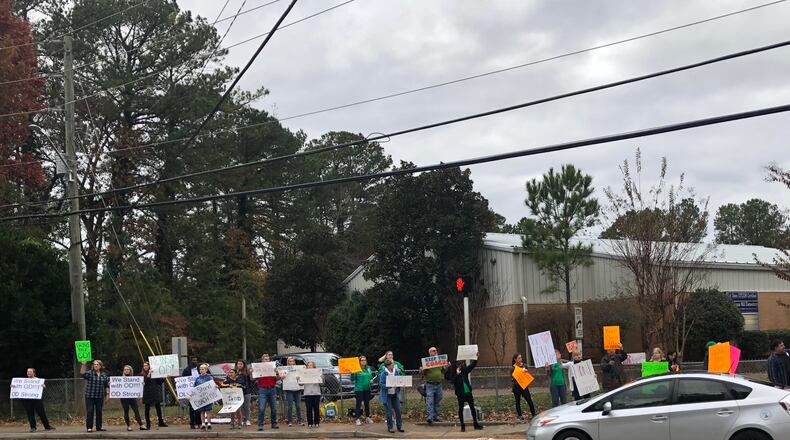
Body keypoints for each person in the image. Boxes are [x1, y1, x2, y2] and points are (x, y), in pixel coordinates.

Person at [445, 356, 483, 432]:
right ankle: (462, 425)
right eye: (458, 364)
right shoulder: (453, 373)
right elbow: (451, 381)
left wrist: (476, 358)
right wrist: (456, 373)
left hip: (468, 392)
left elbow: (472, 366)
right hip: (460, 394)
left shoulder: (464, 371)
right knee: (461, 409)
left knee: (472, 408)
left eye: (461, 364)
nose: (460, 366)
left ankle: (475, 424)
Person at [20, 368, 54, 433]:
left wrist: (43, 386)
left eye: (30, 371)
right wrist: (14, 386)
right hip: (28, 400)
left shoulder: (38, 380)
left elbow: (44, 387)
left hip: (37, 399)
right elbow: (18, 388)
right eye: (28, 371)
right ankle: (33, 427)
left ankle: (47, 426)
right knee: (30, 413)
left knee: (41, 413)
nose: (28, 373)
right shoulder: (24, 381)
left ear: (34, 373)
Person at [420, 347, 448, 424]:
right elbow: (423, 374)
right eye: (433, 351)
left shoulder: (439, 360)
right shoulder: (426, 361)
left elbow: (443, 371)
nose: (435, 352)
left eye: (436, 350)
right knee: (430, 401)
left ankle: (436, 416)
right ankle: (430, 417)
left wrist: (446, 367)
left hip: (438, 384)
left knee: (438, 400)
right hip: (430, 385)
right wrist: (423, 369)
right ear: (430, 353)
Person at [80, 360, 110, 433]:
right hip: (90, 396)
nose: (96, 365)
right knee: (90, 411)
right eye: (94, 364)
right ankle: (89, 427)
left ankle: (99, 427)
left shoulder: (104, 375)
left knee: (99, 411)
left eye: (97, 364)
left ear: (100, 366)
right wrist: (83, 365)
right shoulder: (90, 373)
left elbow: (107, 385)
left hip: (100, 396)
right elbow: (82, 373)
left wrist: (108, 394)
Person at [379, 359, 404, 433]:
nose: (394, 365)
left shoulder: (396, 372)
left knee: (398, 411)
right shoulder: (384, 373)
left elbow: (399, 380)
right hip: (387, 396)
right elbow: (381, 384)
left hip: (395, 394)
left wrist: (401, 383)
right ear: (388, 366)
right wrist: (389, 386)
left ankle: (399, 427)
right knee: (389, 412)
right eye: (392, 364)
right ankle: (390, 427)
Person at [255, 354, 279, 431]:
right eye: (265, 359)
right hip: (263, 389)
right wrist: (251, 372)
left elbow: (278, 378)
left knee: (274, 408)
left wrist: (277, 373)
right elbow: (253, 378)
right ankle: (260, 425)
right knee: (261, 408)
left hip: (272, 389)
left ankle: (274, 423)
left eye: (268, 359)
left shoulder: (273, 368)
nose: (267, 361)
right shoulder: (258, 368)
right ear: (262, 360)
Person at [141, 361, 168, 429]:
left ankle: (161, 422)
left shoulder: (154, 374)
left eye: (146, 365)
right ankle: (148, 424)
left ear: (149, 366)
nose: (145, 367)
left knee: (158, 408)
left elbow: (159, 382)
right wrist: (149, 374)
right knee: (147, 409)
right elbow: (145, 382)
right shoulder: (142, 374)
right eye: (144, 366)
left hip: (155, 393)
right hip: (147, 394)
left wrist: (165, 377)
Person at [120, 365, 146, 431]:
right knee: (126, 411)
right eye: (125, 369)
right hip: (124, 397)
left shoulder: (134, 379)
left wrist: (142, 384)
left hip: (132, 397)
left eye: (128, 369)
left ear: (130, 370)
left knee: (136, 410)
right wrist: (111, 383)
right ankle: (128, 426)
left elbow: (138, 386)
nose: (126, 370)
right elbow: (116, 386)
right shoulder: (120, 379)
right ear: (123, 371)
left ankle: (141, 425)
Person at [511, 353, 536, 419]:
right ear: (515, 359)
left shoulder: (524, 365)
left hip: (524, 386)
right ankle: (520, 415)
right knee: (517, 401)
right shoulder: (513, 368)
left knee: (529, 400)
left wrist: (525, 371)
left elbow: (527, 375)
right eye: (519, 358)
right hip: (516, 387)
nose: (520, 359)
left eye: (521, 358)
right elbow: (513, 378)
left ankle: (534, 414)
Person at [280, 357, 304, 427]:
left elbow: (303, 376)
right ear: (288, 362)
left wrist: (300, 377)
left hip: (297, 389)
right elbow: (282, 379)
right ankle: (290, 421)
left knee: (298, 406)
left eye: (293, 361)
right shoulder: (284, 369)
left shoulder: (299, 369)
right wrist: (282, 377)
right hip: (289, 390)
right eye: (290, 361)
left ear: (294, 362)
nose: (291, 362)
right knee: (290, 406)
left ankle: (300, 421)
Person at [351, 356, 374, 426]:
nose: (364, 361)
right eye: (362, 360)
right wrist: (352, 373)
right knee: (359, 404)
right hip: (359, 389)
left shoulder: (368, 369)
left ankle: (367, 417)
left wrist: (371, 380)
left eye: (365, 360)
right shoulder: (356, 369)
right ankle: (357, 419)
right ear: (359, 361)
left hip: (367, 388)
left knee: (367, 403)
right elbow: (352, 379)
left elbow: (370, 377)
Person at [300, 361, 323, 428]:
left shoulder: (317, 373)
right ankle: (310, 423)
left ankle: (317, 422)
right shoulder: (304, 374)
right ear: (307, 367)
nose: (310, 366)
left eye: (311, 365)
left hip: (316, 393)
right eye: (309, 365)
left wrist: (322, 378)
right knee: (309, 409)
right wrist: (298, 379)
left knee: (316, 409)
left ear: (314, 366)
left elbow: (321, 384)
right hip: (307, 394)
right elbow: (300, 384)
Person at [194, 363, 214, 430]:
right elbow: (195, 388)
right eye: (200, 369)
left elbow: (212, 385)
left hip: (208, 397)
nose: (201, 370)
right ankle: (202, 424)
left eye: (203, 369)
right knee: (202, 411)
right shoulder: (197, 379)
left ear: (206, 370)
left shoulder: (209, 377)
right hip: (201, 397)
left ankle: (208, 423)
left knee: (208, 411)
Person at [182, 356, 200, 429]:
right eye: (193, 360)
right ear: (190, 361)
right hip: (191, 391)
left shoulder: (199, 369)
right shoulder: (187, 370)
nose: (195, 361)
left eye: (196, 360)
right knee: (192, 408)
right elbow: (183, 380)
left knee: (199, 407)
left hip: (199, 390)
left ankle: (199, 422)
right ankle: (192, 423)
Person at [235, 360, 252, 427]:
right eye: (238, 364)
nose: (239, 365)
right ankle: (241, 420)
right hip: (237, 392)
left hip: (247, 392)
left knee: (247, 407)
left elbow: (251, 380)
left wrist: (251, 373)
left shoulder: (247, 372)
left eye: (241, 364)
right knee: (239, 407)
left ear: (244, 365)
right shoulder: (234, 372)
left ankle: (247, 420)